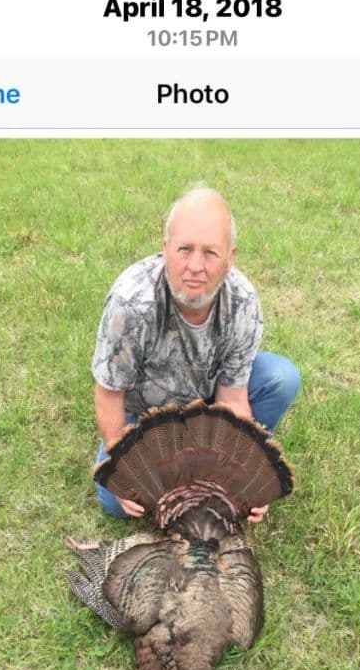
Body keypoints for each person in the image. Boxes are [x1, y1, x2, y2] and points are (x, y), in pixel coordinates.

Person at [92, 186, 301, 522]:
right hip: (143, 417)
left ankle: (213, 471)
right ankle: (179, 469)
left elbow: (232, 397)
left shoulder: (242, 302)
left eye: (210, 253)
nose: (195, 266)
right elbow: (109, 393)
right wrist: (123, 466)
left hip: (209, 404)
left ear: (230, 257)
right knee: (116, 502)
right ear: (165, 248)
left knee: (281, 378)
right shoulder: (132, 303)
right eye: (184, 249)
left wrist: (249, 473)